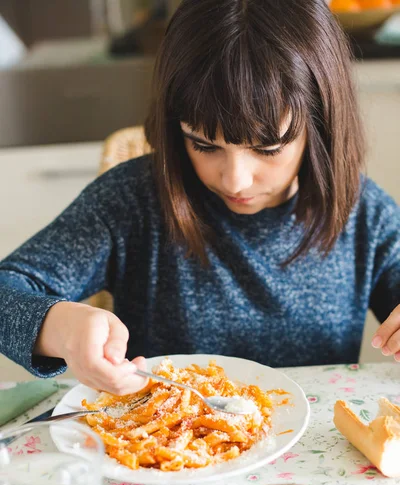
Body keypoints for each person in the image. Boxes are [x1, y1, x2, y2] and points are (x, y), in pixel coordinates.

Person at [0, 0, 399, 397]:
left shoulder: (364, 214)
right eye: (204, 145)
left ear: (322, 124)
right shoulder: (132, 201)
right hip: (159, 453)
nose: (235, 180)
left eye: (268, 148)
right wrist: (61, 327)